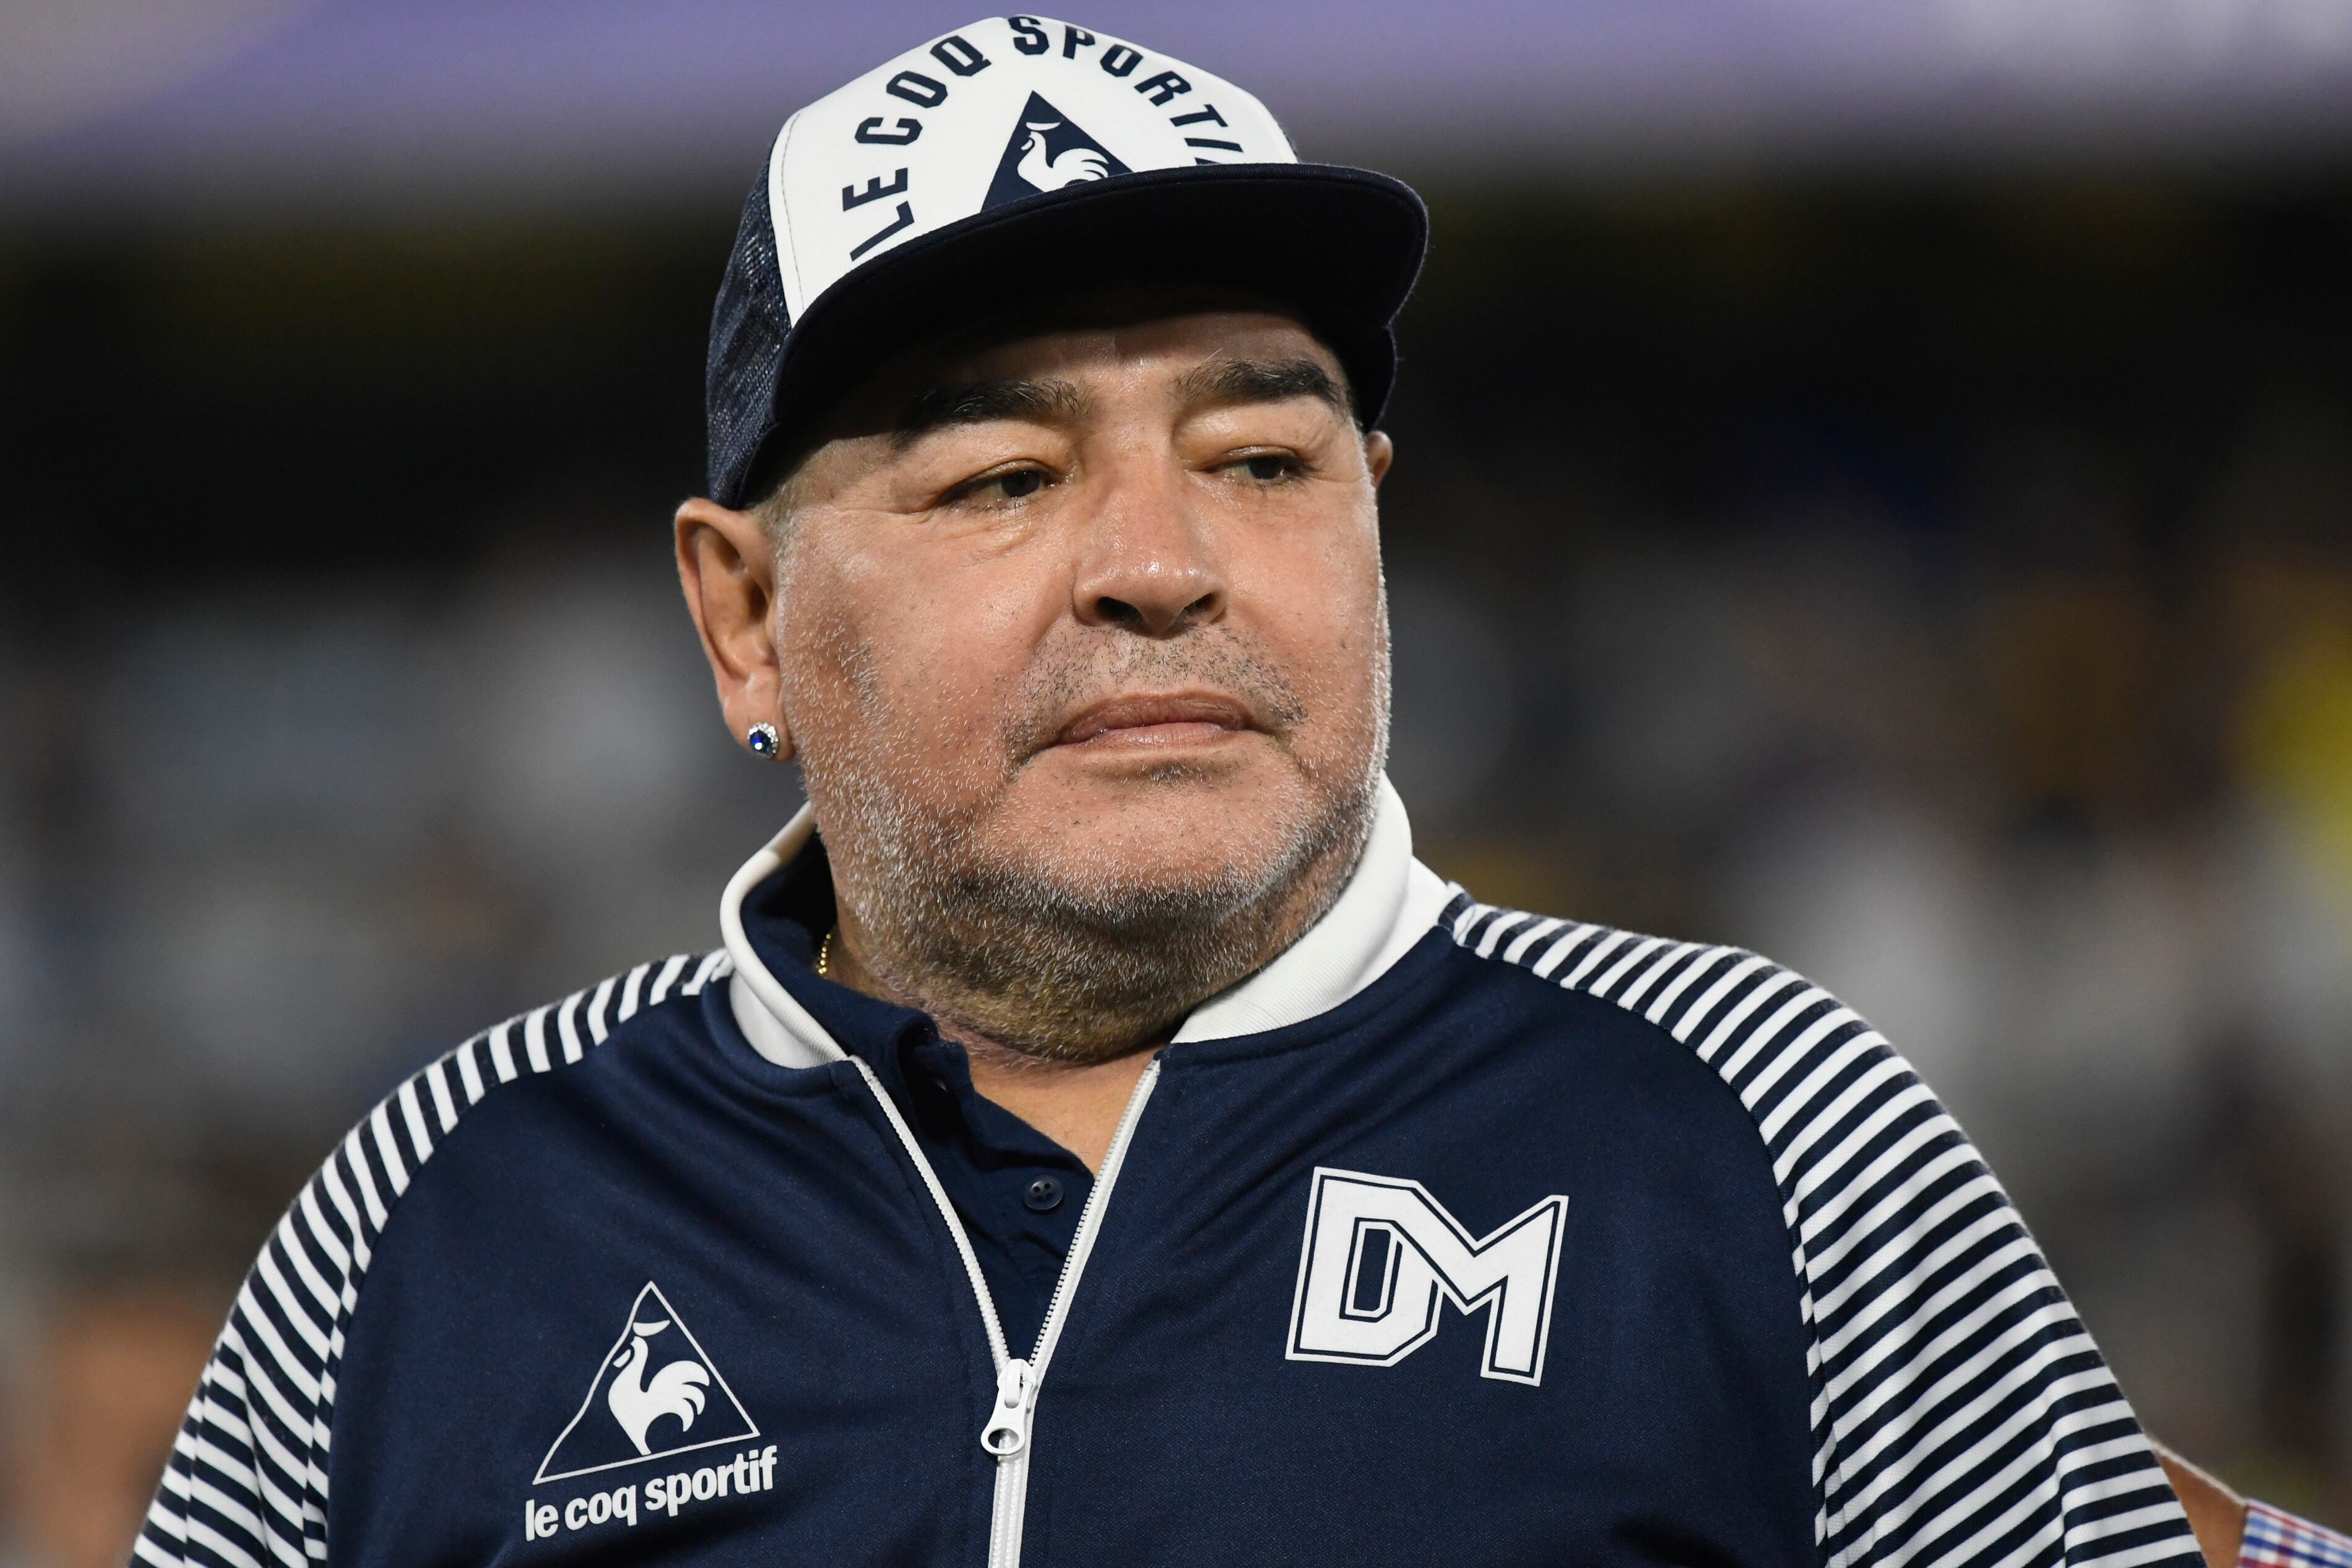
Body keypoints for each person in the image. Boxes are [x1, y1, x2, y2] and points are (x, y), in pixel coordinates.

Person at [134, 16, 2348, 1568]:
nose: (1162, 564)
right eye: (1003, 475)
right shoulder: (438, 1214)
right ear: (743, 619)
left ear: (1375, 516)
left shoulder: (1772, 1141)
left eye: (1263, 459)